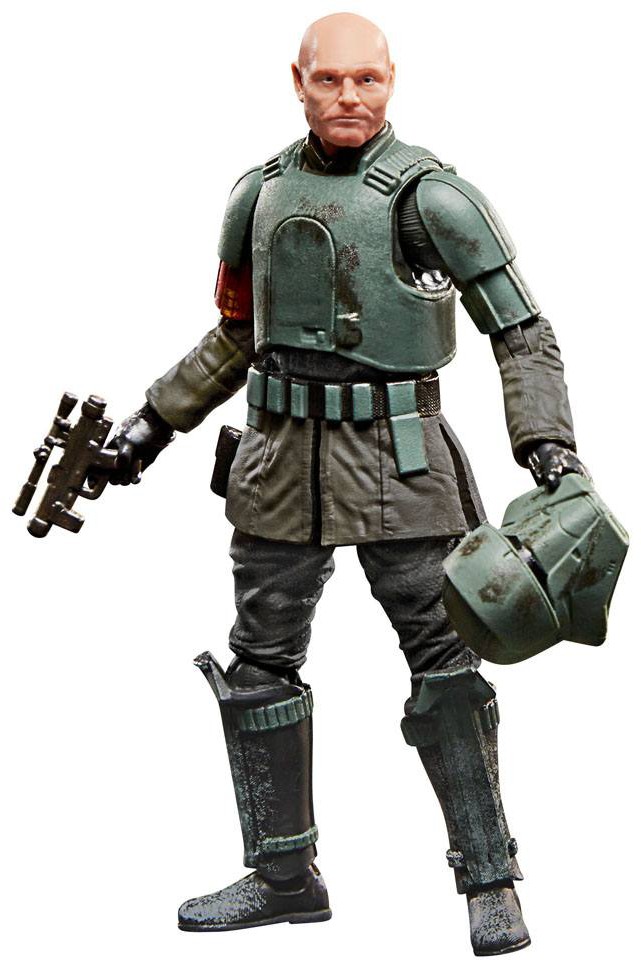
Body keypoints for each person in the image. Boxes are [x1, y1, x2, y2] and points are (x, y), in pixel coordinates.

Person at [108, 13, 588, 956]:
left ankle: (488, 879)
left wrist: (547, 446)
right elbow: (237, 334)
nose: (348, 98)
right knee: (259, 664)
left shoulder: (431, 199)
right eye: (329, 80)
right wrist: (152, 422)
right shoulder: (258, 196)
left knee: (446, 665)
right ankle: (283, 876)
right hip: (281, 458)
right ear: (297, 82)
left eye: (366, 79)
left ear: (391, 80)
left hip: (400, 459)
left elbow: (521, 331)